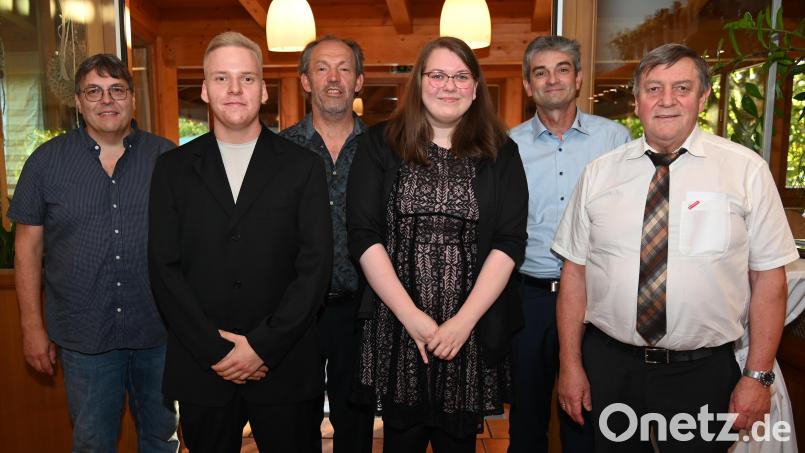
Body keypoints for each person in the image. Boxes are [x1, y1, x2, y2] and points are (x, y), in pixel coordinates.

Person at [553, 43, 798, 452]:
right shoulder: (599, 174)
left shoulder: (745, 171)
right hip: (611, 368)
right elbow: (574, 274)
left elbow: (770, 280)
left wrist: (757, 377)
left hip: (702, 372)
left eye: (681, 88)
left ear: (703, 97)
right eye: (653, 89)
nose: (666, 101)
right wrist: (570, 364)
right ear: (637, 99)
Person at [148, 31, 332, 453]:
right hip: (202, 368)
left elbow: (315, 267)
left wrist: (261, 346)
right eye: (222, 78)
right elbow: (163, 268)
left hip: (283, 366)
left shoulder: (303, 167)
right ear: (205, 90)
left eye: (247, 79)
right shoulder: (172, 170)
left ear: (264, 90)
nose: (234, 89)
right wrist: (216, 350)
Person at [347, 36, 528, 453]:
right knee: (401, 441)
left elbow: (509, 242)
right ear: (419, 82)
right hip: (397, 327)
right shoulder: (379, 144)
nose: (450, 86)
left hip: (469, 331)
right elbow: (364, 234)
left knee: (458, 443)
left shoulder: (503, 153)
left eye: (461, 76)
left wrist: (462, 324)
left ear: (476, 87)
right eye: (439, 75)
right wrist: (411, 317)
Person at [9, 54, 179, 452]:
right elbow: (27, 252)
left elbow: (195, 242)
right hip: (84, 338)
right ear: (78, 101)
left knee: (161, 439)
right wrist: (33, 329)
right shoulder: (45, 163)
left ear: (132, 98)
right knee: (92, 443)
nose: (107, 100)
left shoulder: (168, 158)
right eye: (94, 91)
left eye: (117, 90)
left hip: (159, 331)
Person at [507, 35, 630, 453]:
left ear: (578, 78)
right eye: (540, 72)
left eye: (562, 69)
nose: (552, 79)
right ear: (528, 86)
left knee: (587, 416)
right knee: (526, 416)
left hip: (596, 301)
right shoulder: (508, 146)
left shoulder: (615, 140)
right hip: (530, 297)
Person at [280, 36, 375, 453]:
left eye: (344, 68)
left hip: (363, 311)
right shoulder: (279, 151)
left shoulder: (382, 151)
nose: (333, 78)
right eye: (322, 68)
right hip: (296, 312)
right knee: (295, 424)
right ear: (305, 80)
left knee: (355, 427)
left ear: (358, 81)